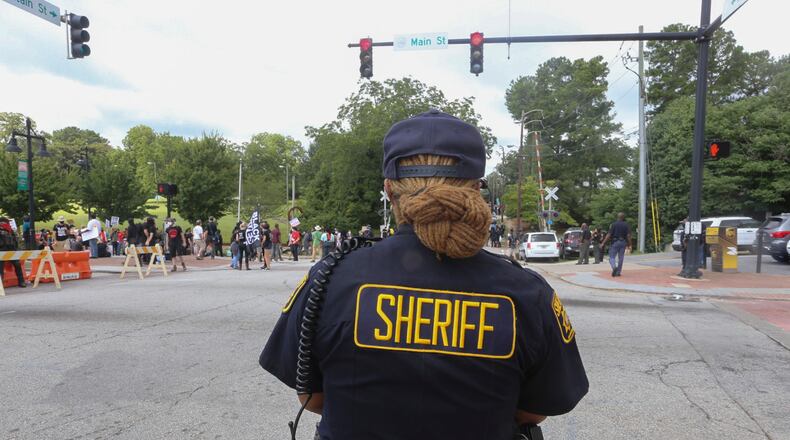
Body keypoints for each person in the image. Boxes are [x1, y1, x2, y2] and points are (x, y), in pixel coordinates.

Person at [259, 109, 588, 440]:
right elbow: (536, 409)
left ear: (389, 191)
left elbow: (310, 397)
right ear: (475, 189)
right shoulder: (526, 292)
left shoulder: (330, 278)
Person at [600, 212, 632, 277]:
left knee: (611, 257)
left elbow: (609, 235)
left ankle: (614, 267)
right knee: (621, 258)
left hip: (615, 242)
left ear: (617, 217)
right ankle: (618, 272)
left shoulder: (614, 224)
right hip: (623, 242)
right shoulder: (626, 225)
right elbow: (628, 236)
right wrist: (630, 244)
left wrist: (603, 243)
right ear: (623, 217)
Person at [0, 217, 26, 288]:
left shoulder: (11, 230)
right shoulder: (9, 230)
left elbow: (15, 241)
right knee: (1, 266)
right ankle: (1, 284)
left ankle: (21, 281)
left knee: (17, 264)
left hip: (11, 250)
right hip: (2, 250)